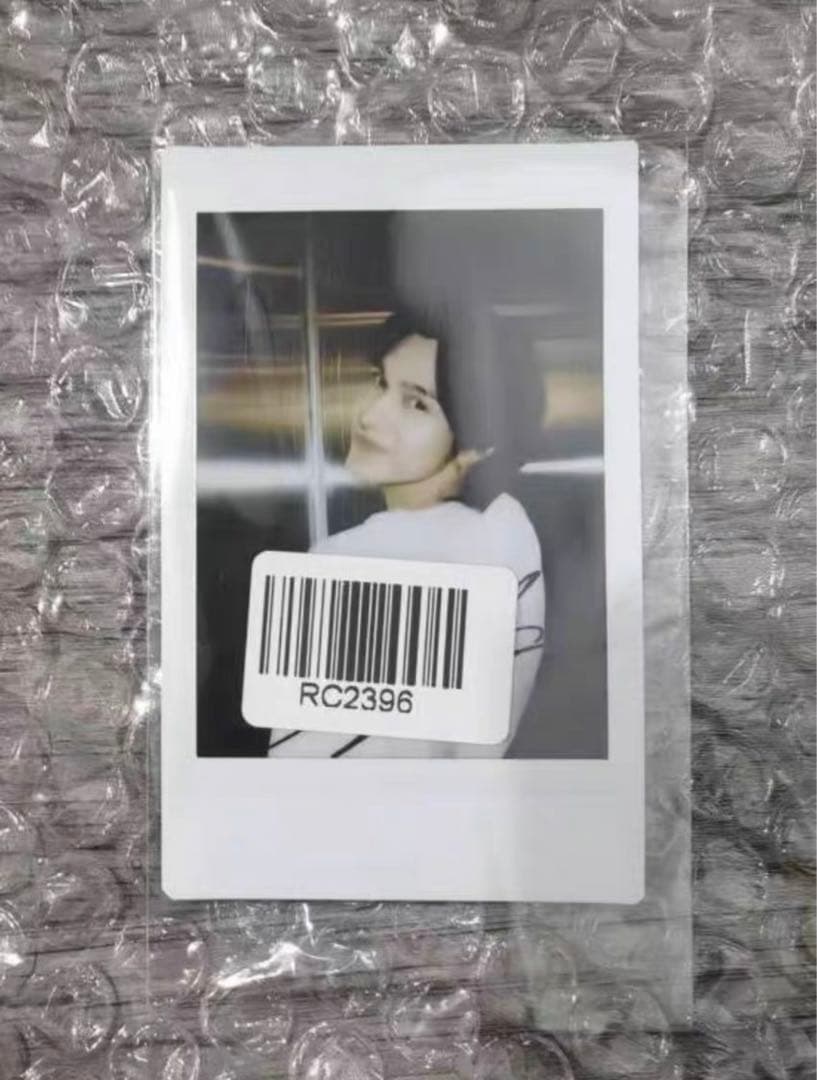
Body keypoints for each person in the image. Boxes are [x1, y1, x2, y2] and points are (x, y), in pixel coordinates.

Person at [268, 310, 545, 758]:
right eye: (380, 382)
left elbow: (302, 764)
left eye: (416, 403)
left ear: (480, 441)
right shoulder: (506, 530)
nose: (369, 416)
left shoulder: (347, 558)